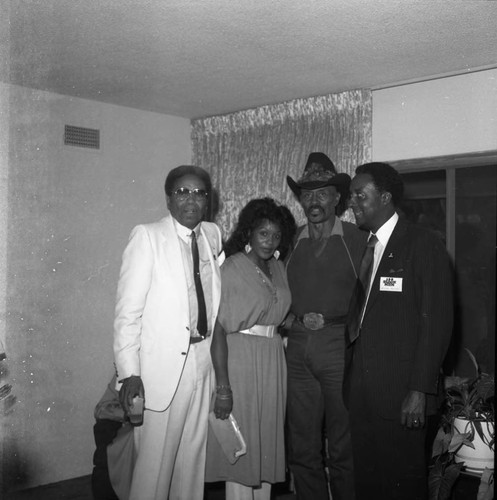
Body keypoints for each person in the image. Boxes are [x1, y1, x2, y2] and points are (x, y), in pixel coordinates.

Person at [111, 165, 223, 500]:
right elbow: (127, 314)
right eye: (182, 192)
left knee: (192, 465)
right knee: (154, 472)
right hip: (161, 369)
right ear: (168, 199)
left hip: (202, 361)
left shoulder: (213, 235)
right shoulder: (146, 236)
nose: (191, 200)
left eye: (199, 193)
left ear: (209, 200)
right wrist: (129, 373)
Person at [345, 162, 453, 500]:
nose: (353, 203)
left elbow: (436, 322)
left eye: (360, 196)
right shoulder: (367, 247)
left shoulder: (423, 243)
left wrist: (419, 390)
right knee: (367, 482)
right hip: (361, 392)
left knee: (402, 485)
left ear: (386, 197)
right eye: (352, 197)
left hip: (402, 395)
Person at [284, 153, 366, 500]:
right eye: (307, 193)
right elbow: (272, 295)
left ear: (337, 198)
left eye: (322, 193)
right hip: (298, 346)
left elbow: (373, 298)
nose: (313, 201)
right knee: (302, 446)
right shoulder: (289, 242)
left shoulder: (357, 240)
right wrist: (291, 320)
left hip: (339, 347)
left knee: (343, 445)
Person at [205, 198, 297, 500]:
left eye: (276, 235)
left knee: (266, 446)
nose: (269, 241)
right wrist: (222, 387)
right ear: (248, 233)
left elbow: (276, 310)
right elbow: (217, 329)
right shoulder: (231, 268)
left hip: (272, 361)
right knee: (242, 449)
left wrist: (299, 320)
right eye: (263, 234)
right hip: (240, 361)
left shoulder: (279, 267)